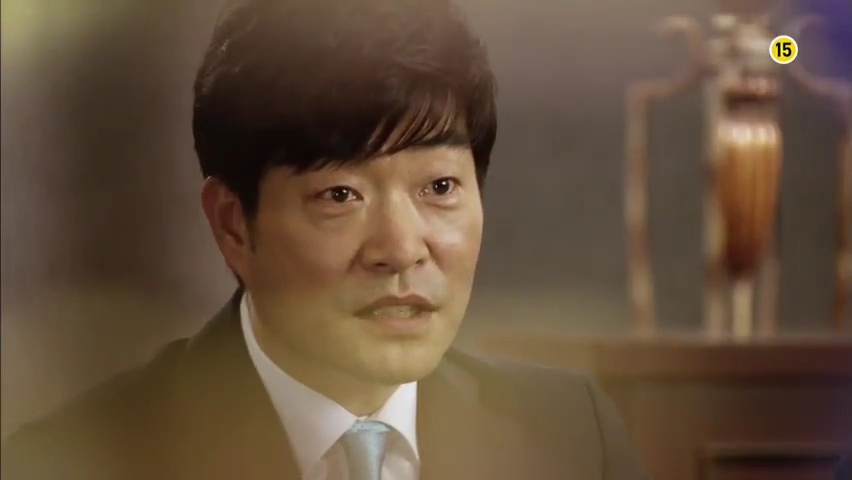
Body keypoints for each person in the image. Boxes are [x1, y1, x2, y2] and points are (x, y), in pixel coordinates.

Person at [1, 0, 647, 478]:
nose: (401, 248)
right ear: (232, 224)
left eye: (439, 187)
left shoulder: (571, 438)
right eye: (341, 195)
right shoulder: (78, 462)